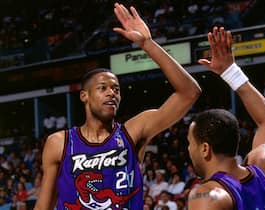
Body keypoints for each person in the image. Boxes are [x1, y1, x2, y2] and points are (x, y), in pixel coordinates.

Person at [34, 3, 201, 210]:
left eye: (116, 89)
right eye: (103, 88)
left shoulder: (133, 131)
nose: (112, 93)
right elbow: (44, 205)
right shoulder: (59, 142)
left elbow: (189, 93)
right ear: (84, 96)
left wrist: (148, 44)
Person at [186, 27, 265, 209]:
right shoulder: (263, 164)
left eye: (190, 143)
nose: (189, 150)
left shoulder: (208, 196)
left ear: (205, 148)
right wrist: (231, 72)